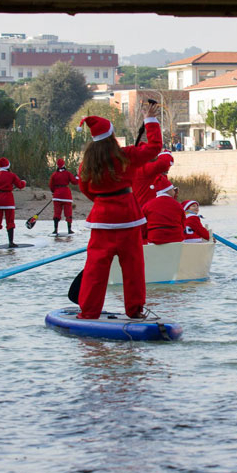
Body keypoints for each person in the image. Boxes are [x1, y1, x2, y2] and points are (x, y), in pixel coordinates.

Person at [76, 105, 162, 320]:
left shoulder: (86, 163)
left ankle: (89, 312)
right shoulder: (128, 155)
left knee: (95, 270)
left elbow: (86, 189)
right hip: (128, 219)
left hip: (101, 220)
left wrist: (103, 202)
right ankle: (134, 311)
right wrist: (149, 120)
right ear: (112, 135)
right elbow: (154, 148)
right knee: (133, 268)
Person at [0, 157, 27, 248]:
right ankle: (11, 242)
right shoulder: (12, 175)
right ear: (8, 166)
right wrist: (24, 182)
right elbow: (20, 185)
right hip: (8, 200)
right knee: (10, 221)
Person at [142, 175, 185, 244]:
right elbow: (183, 223)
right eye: (173, 189)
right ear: (169, 190)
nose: (174, 192)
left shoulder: (147, 205)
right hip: (176, 239)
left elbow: (143, 227)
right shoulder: (178, 205)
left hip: (155, 239)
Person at [48, 158, 79, 234]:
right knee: (68, 212)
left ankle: (55, 230)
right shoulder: (68, 173)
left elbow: (51, 185)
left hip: (57, 195)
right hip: (66, 196)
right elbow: (75, 182)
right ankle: (69, 230)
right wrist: (78, 176)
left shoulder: (54, 174)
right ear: (64, 164)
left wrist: (54, 192)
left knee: (57, 213)